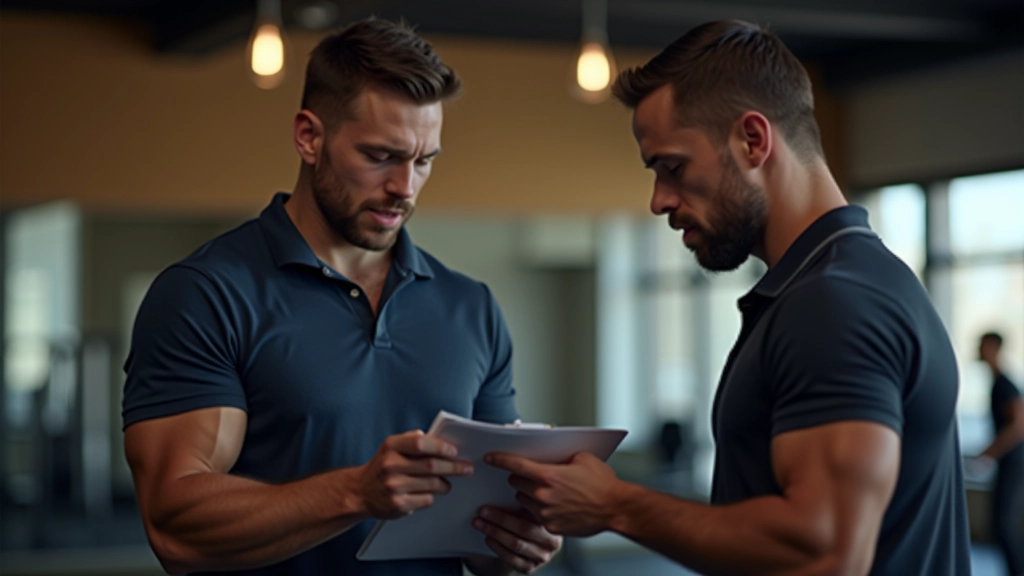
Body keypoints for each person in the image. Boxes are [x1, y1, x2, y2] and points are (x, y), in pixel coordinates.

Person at [487, 19, 971, 575]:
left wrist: (615, 505)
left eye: (672, 168)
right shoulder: (849, 280)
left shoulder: (833, 303)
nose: (658, 201)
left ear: (753, 140)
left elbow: (828, 552)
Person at [121, 18, 560, 576]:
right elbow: (174, 526)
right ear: (309, 136)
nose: (405, 187)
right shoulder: (205, 294)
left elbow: (479, 544)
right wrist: (356, 492)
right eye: (381, 156)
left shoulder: (470, 307)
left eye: (424, 161)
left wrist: (518, 541)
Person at [974, 332, 1024, 575]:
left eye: (981, 345)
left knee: (1003, 525)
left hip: (1015, 463)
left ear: (993, 347)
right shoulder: (998, 383)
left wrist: (990, 453)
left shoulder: (1005, 384)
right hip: (1009, 463)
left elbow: (1019, 425)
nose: (977, 349)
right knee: (1000, 524)